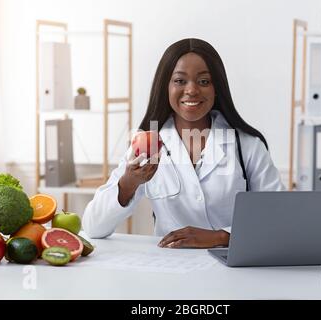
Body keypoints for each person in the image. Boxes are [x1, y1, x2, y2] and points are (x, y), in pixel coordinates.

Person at [82, 38, 285, 248]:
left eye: (204, 81)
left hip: (233, 268)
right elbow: (93, 227)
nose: (192, 90)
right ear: (166, 87)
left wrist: (221, 237)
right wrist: (128, 183)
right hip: (171, 269)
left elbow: (280, 219)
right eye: (180, 81)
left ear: (217, 89)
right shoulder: (148, 145)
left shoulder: (247, 146)